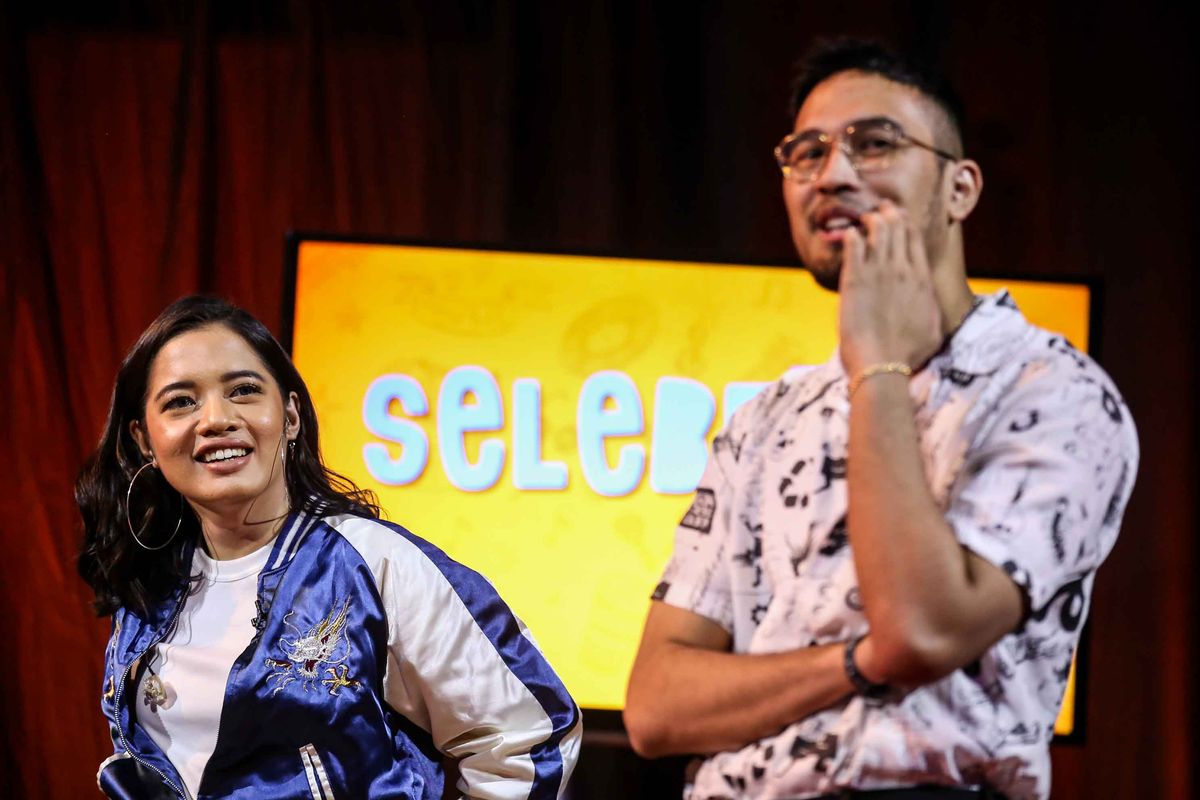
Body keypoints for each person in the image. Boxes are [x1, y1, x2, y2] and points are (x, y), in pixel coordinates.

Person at [623, 38, 1138, 800]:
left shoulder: (1054, 392)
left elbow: (925, 628)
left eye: (875, 143)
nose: (833, 173)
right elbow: (656, 708)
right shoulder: (767, 417)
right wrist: (857, 664)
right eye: (808, 151)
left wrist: (880, 371)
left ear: (960, 188)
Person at [77, 295, 581, 800]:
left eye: (244, 391)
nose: (214, 419)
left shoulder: (374, 564)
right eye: (180, 402)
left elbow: (530, 738)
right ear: (144, 439)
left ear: (290, 414)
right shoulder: (151, 580)